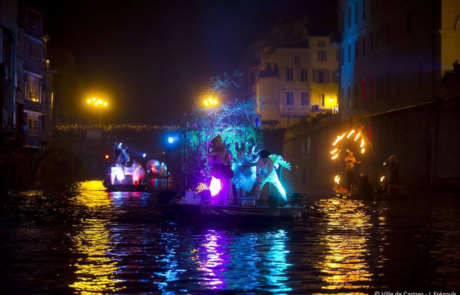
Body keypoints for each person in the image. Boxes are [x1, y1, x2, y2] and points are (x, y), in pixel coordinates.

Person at [209, 135, 234, 205]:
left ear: (219, 142)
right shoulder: (214, 149)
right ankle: (216, 201)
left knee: (225, 185)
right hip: (216, 169)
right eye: (214, 143)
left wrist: (214, 153)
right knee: (216, 186)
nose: (215, 144)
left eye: (216, 142)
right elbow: (211, 160)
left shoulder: (223, 148)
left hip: (224, 168)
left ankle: (226, 201)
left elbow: (222, 154)